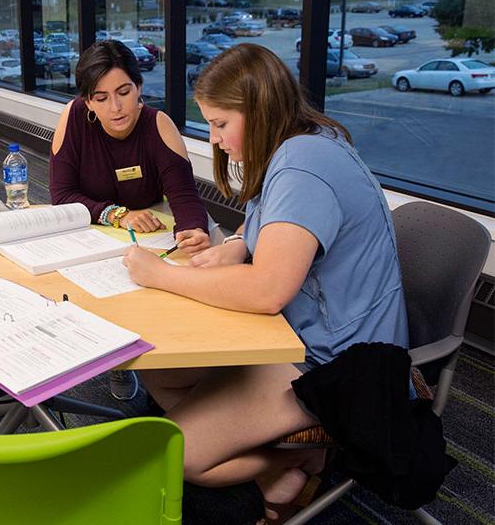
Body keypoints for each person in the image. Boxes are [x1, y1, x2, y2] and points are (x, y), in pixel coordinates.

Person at [122, 44, 408, 523]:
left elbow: (267, 290)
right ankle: (267, 449)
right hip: (306, 336)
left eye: (219, 124)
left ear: (257, 110)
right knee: (157, 370)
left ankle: (291, 460)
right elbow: (269, 221)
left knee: (176, 451)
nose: (215, 140)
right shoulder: (304, 140)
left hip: (340, 365)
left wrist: (162, 276)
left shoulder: (302, 167)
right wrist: (236, 246)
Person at [50, 40, 211, 401]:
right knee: (97, 291)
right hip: (93, 229)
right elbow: (61, 196)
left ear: (139, 87)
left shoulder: (158, 124)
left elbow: (184, 196)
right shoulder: (73, 118)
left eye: (124, 92)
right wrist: (117, 214)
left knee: (171, 284)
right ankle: (116, 357)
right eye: (102, 97)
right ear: (88, 101)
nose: (116, 106)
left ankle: (153, 361)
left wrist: (192, 230)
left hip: (154, 226)